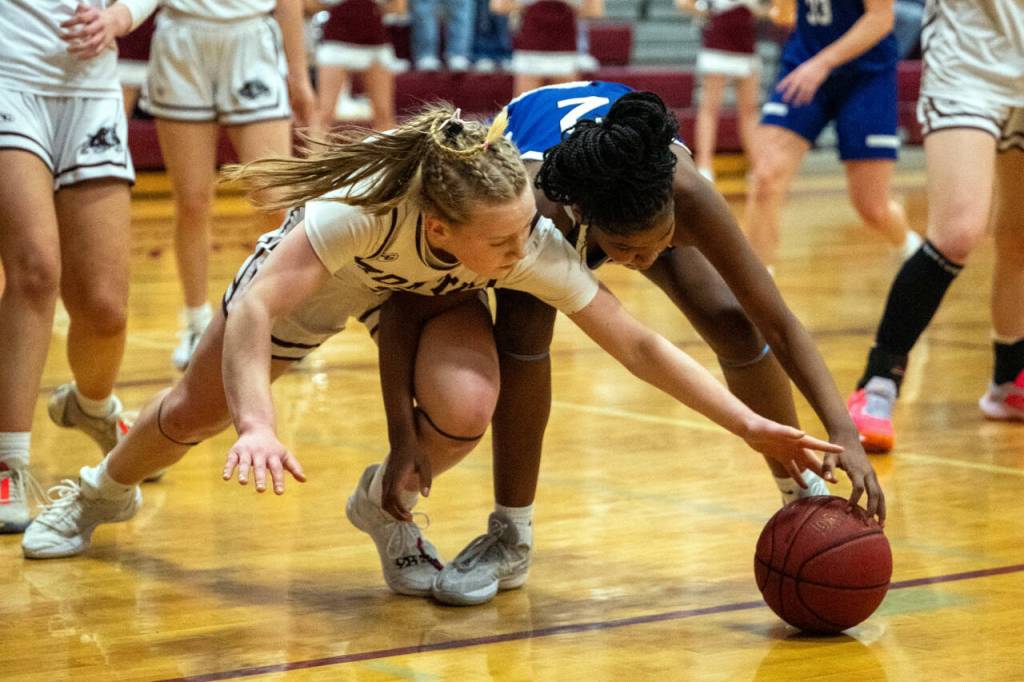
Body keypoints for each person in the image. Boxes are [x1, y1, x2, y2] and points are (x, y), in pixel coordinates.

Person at [21, 104, 842, 603]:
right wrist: (257, 423)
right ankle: (99, 492)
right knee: (187, 414)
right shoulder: (358, 212)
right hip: (329, 288)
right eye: (508, 239)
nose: (527, 249)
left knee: (467, 402)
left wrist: (747, 425)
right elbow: (257, 307)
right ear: (442, 230)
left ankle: (387, 507)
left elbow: (637, 342)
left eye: (528, 229)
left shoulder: (516, 236)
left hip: (418, 291)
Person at [429, 82, 886, 607]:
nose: (641, 259)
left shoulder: (687, 192)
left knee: (736, 324)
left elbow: (778, 321)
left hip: (625, 168)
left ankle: (800, 489)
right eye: (623, 249)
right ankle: (511, 533)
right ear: (586, 216)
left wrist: (842, 431)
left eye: (658, 244)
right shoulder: (544, 212)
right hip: (541, 162)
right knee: (523, 340)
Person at [74, 0, 316, 371]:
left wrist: (298, 75)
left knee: (275, 199)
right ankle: (195, 322)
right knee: (192, 201)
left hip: (252, 40)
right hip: (182, 39)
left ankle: (278, 320)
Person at [847, 0, 1024, 453]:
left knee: (1020, 236)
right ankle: (878, 382)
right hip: (968, 64)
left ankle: (1010, 378)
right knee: (958, 232)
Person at [0, 1, 136, 534]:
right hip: (8, 78)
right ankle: (8, 462)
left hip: (92, 90)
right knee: (34, 270)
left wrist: (122, 16)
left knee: (105, 308)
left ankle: (93, 406)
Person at [743, 0, 919, 272]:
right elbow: (785, 16)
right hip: (805, 63)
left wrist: (823, 64)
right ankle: (755, 293)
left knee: (873, 207)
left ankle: (910, 248)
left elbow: (881, 19)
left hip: (866, 74)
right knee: (766, 177)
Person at [676, 0, 766, 182]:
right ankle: (704, 165)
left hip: (746, 44)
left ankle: (757, 166)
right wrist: (705, 8)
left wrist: (762, 11)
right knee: (709, 108)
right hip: (717, 43)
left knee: (750, 110)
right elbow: (683, 3)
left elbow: (772, 9)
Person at [310, 0, 402, 133]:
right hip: (336, 44)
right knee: (324, 112)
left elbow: (399, 7)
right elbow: (309, 5)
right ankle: (315, 154)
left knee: (384, 113)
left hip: (375, 44)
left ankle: (389, 153)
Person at [495, 0, 604, 96]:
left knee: (564, 110)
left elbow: (594, 11)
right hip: (531, 49)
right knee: (526, 110)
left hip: (566, 51)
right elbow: (499, 6)